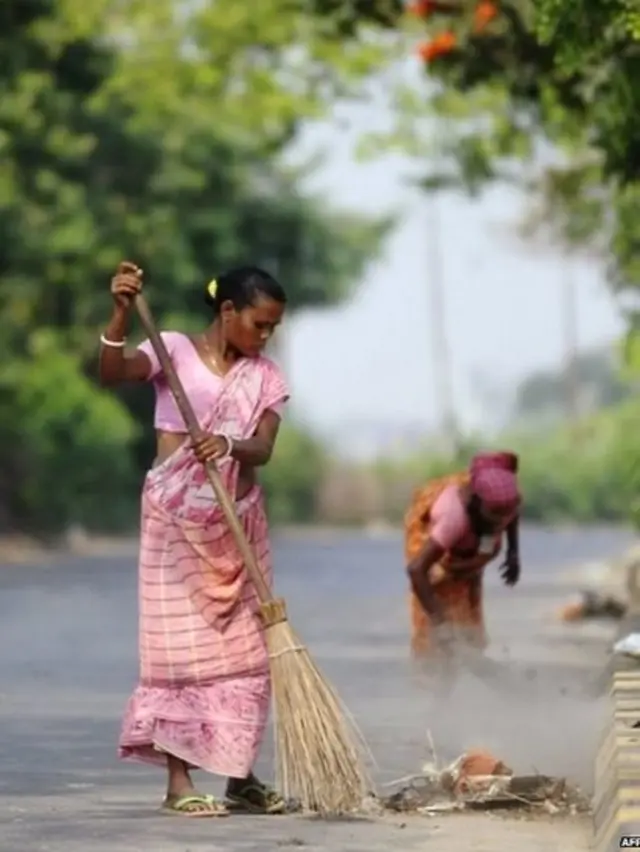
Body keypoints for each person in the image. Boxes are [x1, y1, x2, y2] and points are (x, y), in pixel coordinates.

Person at [99, 261, 290, 817]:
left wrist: (228, 446)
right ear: (228, 311)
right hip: (175, 527)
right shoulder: (175, 351)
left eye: (273, 328)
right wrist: (118, 311)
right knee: (178, 653)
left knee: (248, 653)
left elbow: (264, 447)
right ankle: (179, 783)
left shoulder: (267, 377)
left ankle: (241, 776)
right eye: (259, 324)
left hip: (238, 527)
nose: (264, 336)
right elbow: (113, 371)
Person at [404, 451, 521, 659]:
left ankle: (473, 659)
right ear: (476, 503)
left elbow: (511, 516)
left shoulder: (505, 503)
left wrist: (513, 553)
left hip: (468, 554)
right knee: (436, 644)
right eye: (493, 517)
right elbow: (416, 570)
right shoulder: (453, 518)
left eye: (503, 519)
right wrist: (440, 624)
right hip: (438, 558)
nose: (499, 524)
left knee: (469, 633)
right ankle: (441, 680)